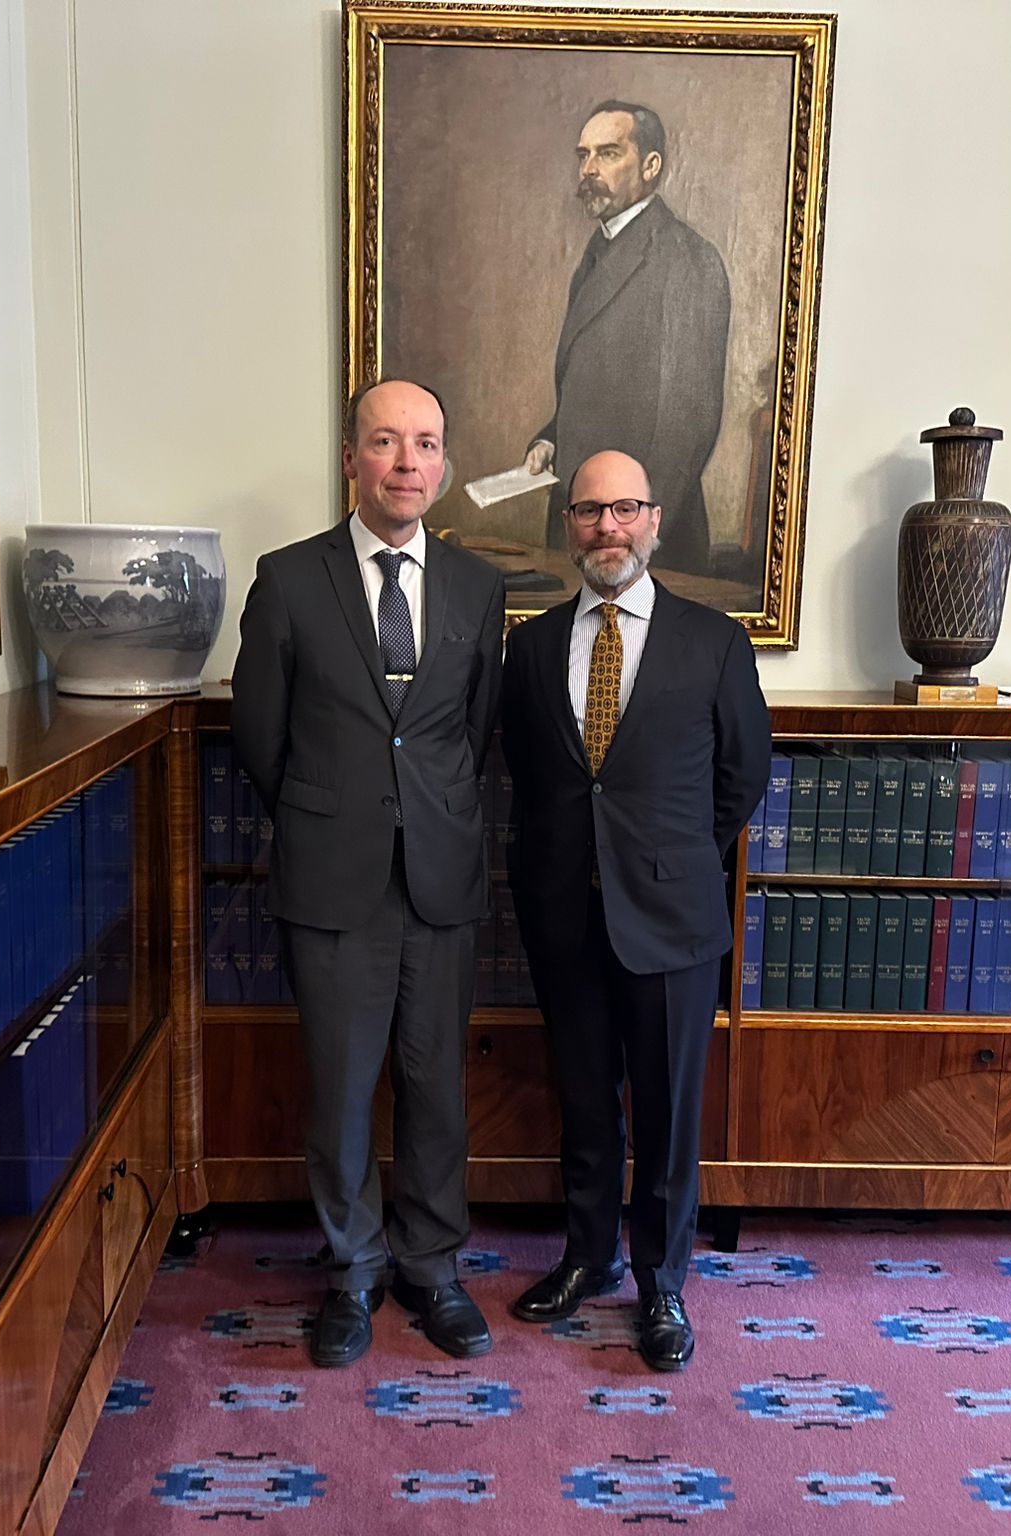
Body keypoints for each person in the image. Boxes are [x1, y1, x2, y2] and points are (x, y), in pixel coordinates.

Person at [231, 379, 506, 1368]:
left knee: (435, 1086)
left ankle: (431, 1266)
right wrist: (332, 816)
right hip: (332, 877)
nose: (406, 463)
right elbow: (259, 737)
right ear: (350, 458)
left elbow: (471, 732)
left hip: (439, 876)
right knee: (342, 1089)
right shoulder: (287, 581)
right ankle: (351, 1269)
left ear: (444, 464)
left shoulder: (478, 587)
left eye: (424, 444)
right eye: (385, 442)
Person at [499, 449, 768, 1371]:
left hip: (671, 917)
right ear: (567, 526)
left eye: (624, 509)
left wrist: (670, 858)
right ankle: (588, 1256)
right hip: (563, 912)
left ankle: (662, 1284)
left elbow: (741, 776)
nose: (606, 527)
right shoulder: (532, 646)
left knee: (666, 1112)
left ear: (654, 519)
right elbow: (527, 773)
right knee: (583, 1101)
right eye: (588, 511)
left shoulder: (714, 641)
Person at [523, 102, 731, 575]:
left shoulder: (687, 259)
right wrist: (552, 440)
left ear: (650, 166)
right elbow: (590, 387)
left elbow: (689, 422)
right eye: (584, 155)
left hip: (641, 544)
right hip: (581, 524)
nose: (589, 169)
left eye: (609, 153)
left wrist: (636, 531)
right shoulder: (598, 251)